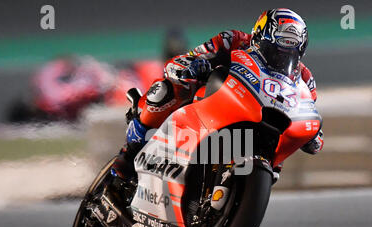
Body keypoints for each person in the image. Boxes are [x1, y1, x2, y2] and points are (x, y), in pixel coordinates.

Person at [111, 8, 324, 185]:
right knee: (166, 91)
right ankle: (128, 154)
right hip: (214, 105)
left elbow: (307, 112)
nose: (281, 57)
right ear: (260, 38)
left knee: (278, 157)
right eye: (275, 50)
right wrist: (195, 65)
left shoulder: (305, 78)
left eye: (289, 53)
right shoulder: (233, 40)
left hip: (261, 127)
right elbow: (188, 59)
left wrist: (313, 134)